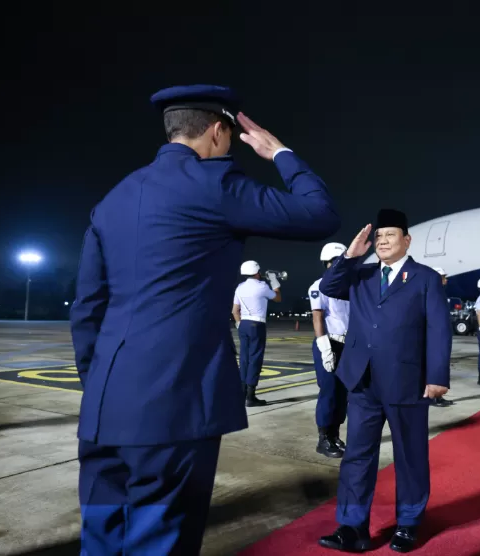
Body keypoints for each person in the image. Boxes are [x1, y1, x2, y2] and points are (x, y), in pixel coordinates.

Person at [69, 84, 340, 555]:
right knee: (160, 539)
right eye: (231, 137)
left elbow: (87, 307)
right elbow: (320, 214)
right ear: (217, 130)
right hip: (173, 405)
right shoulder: (216, 185)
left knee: (102, 538)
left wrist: (99, 386)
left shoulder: (113, 198)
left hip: (103, 407)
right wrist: (280, 153)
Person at [317, 209, 452, 553]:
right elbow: (328, 286)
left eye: (390, 235)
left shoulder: (425, 278)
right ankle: (352, 527)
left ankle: (408, 523)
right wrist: (350, 255)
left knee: (410, 455)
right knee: (358, 456)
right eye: (378, 237)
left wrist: (437, 376)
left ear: (407, 240)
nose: (382, 241)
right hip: (362, 381)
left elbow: (439, 328)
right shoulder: (360, 275)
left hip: (406, 380)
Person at [308, 242, 351, 458]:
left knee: (343, 393)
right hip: (328, 342)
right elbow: (318, 317)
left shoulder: (351, 286)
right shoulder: (319, 285)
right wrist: (324, 346)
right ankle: (323, 438)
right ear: (326, 264)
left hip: (348, 344)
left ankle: (335, 435)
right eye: (333, 262)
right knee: (329, 391)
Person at [233, 260, 282, 407]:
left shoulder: (239, 287)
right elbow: (278, 298)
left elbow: (235, 311)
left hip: (243, 324)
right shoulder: (261, 286)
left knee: (244, 359)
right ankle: (250, 396)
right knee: (255, 359)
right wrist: (274, 281)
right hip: (257, 324)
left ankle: (241, 394)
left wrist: (239, 324)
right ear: (256, 272)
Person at [429, 267, 455, 407]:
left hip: (441, 335)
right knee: (436, 367)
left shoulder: (439, 293)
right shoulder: (431, 293)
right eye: (444, 277)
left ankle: (438, 396)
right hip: (435, 336)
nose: (446, 279)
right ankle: (433, 397)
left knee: (442, 366)